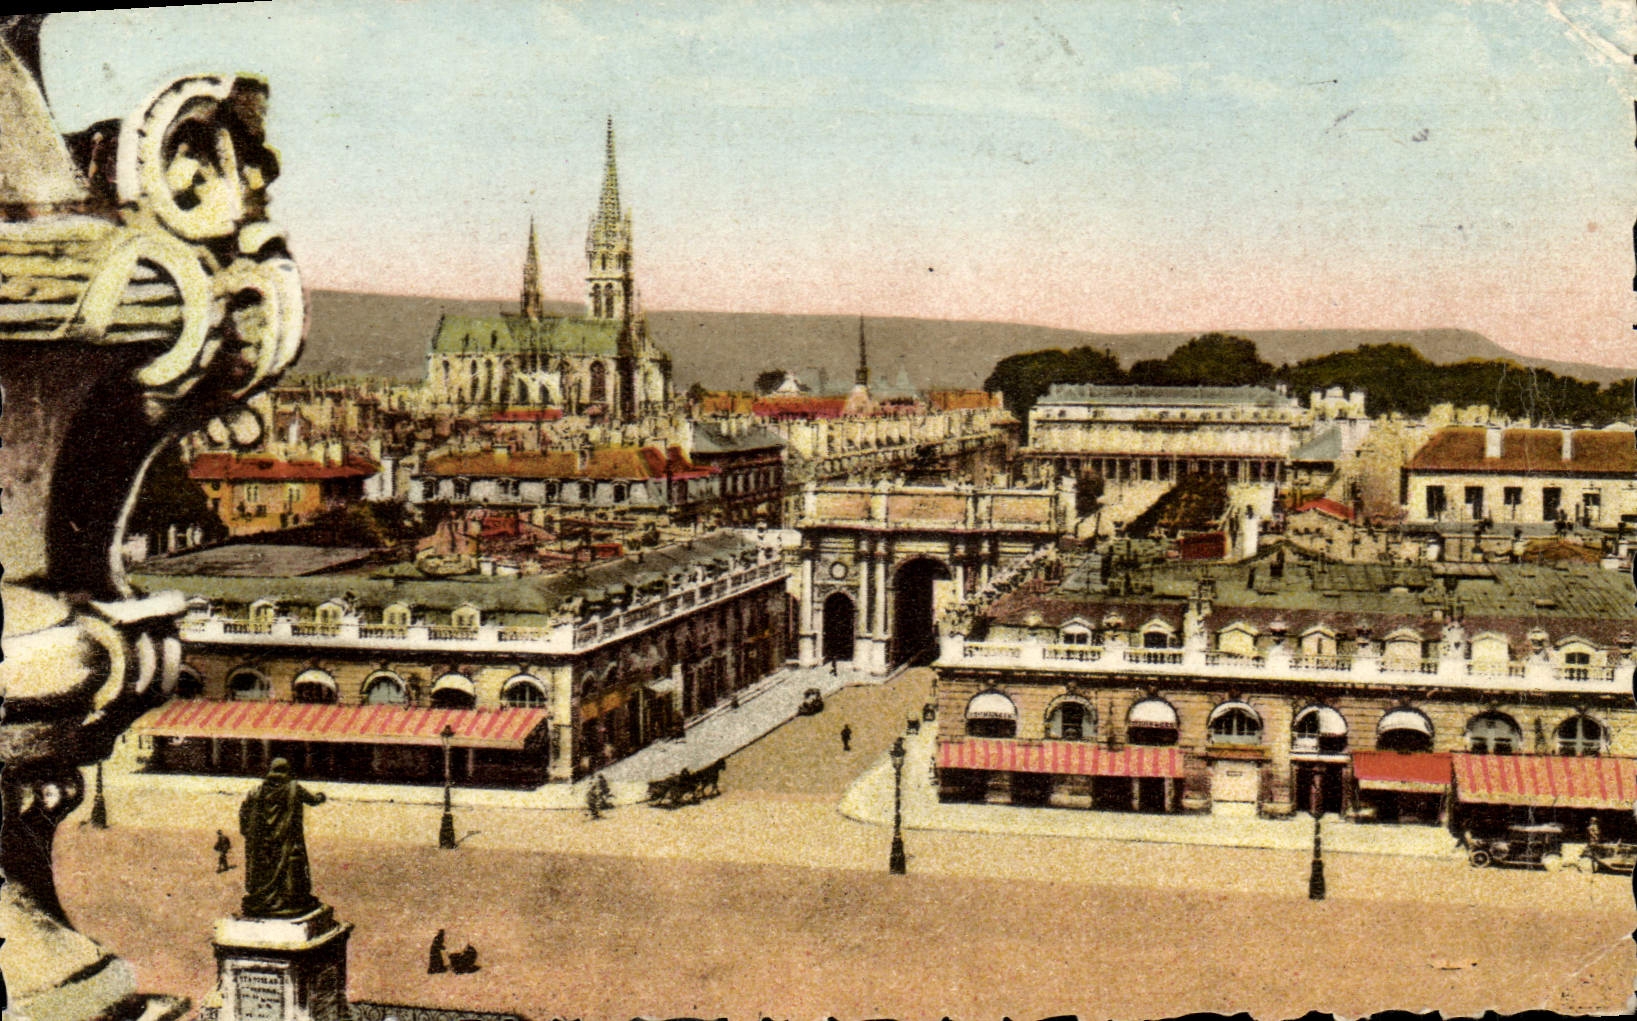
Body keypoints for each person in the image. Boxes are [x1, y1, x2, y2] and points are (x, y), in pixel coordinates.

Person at [238, 758, 327, 918]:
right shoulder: (294, 788)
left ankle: (267, 900)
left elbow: (244, 812)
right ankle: (289, 901)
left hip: (263, 844)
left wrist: (248, 832)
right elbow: (313, 800)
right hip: (288, 840)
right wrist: (321, 796)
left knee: (267, 870)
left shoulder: (257, 791)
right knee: (288, 868)